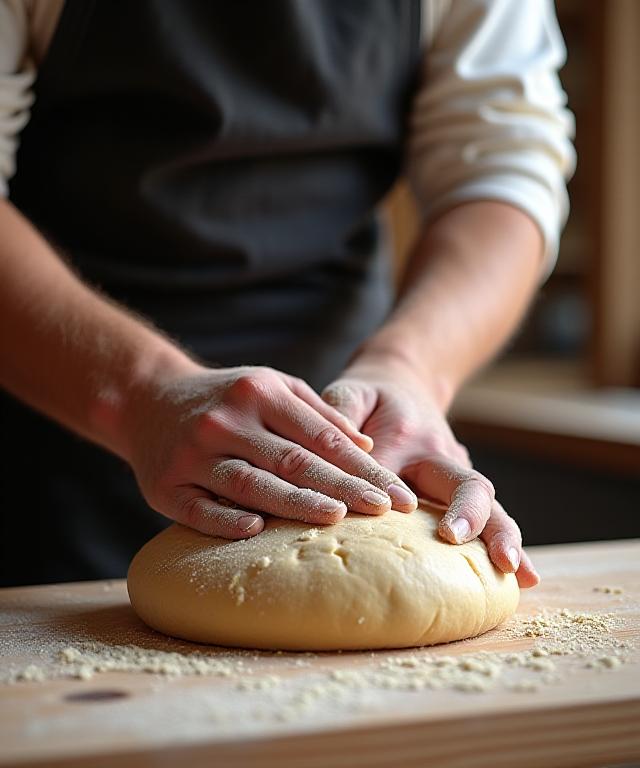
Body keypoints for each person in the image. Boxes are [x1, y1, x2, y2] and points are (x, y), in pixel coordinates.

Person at [0, 0, 574, 588]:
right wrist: (140, 393)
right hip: (53, 423)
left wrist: (410, 368)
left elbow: (501, 171)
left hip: (350, 431)